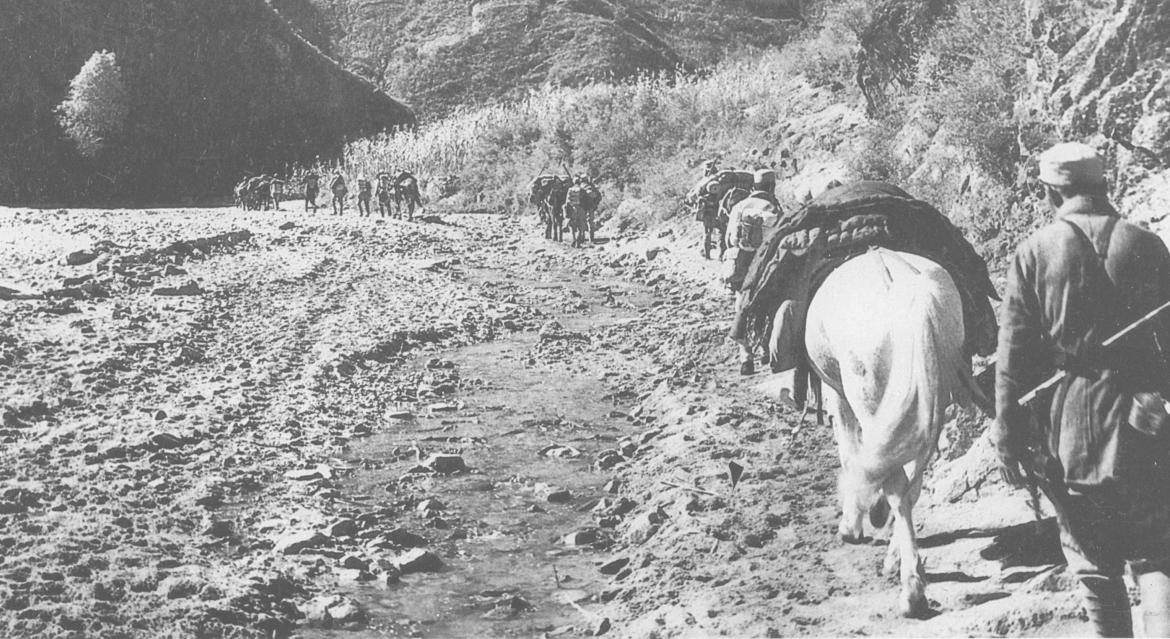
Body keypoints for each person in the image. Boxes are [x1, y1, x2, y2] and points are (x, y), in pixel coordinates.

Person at [995, 142, 1170, 637]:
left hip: (1071, 429)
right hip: (1145, 420)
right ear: (1105, 185)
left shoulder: (1034, 252)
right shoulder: (1146, 243)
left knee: (1093, 560)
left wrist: (1008, 434)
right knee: (1158, 552)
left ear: (1051, 192)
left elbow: (1014, 357)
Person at [724, 169, 784, 375]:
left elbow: (729, 239)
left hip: (741, 263)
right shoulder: (773, 207)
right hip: (765, 263)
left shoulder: (739, 206)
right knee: (769, 305)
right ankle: (767, 350)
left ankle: (745, 358)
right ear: (771, 186)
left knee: (741, 305)